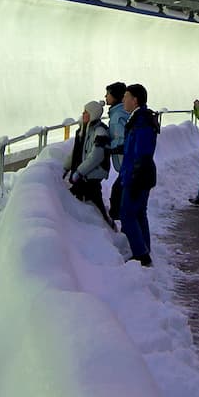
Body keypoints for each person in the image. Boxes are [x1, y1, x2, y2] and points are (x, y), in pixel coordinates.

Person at [118, 84, 160, 265]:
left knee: (127, 214)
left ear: (135, 100)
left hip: (138, 175)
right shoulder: (139, 118)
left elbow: (142, 152)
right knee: (139, 213)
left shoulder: (141, 121)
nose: (123, 100)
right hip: (141, 174)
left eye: (126, 96)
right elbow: (131, 148)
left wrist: (134, 178)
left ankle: (141, 255)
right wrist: (110, 148)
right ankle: (144, 249)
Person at [64, 100, 113, 225]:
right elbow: (77, 151)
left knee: (94, 200)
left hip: (91, 176)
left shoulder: (100, 132)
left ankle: (105, 226)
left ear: (92, 114)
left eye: (86, 112)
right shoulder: (83, 130)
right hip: (84, 175)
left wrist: (79, 172)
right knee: (87, 199)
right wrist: (66, 167)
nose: (83, 114)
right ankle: (103, 224)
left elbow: (96, 156)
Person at [104, 81, 130, 224]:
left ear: (114, 96)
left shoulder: (118, 115)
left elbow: (122, 138)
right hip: (125, 160)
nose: (105, 97)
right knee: (118, 190)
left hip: (124, 160)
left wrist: (110, 147)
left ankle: (118, 220)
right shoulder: (120, 112)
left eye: (108, 94)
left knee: (118, 192)